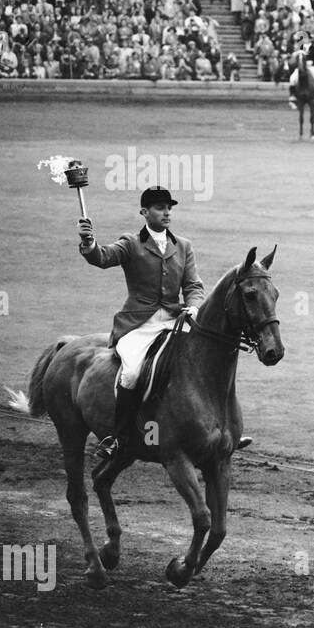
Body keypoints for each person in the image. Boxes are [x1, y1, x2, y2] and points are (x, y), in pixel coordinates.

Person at [77, 187, 204, 480]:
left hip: (175, 321)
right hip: (138, 325)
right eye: (159, 208)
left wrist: (194, 307)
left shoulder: (183, 246)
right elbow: (102, 257)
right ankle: (118, 438)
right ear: (144, 213)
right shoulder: (131, 244)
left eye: (169, 207)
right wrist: (90, 242)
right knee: (133, 373)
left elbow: (193, 286)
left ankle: (217, 428)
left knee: (205, 360)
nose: (167, 212)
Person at [288, 42, 314, 109]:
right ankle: (292, 95)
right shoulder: (300, 48)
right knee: (292, 78)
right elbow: (294, 59)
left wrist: (313, 62)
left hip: (313, 67)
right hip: (302, 67)